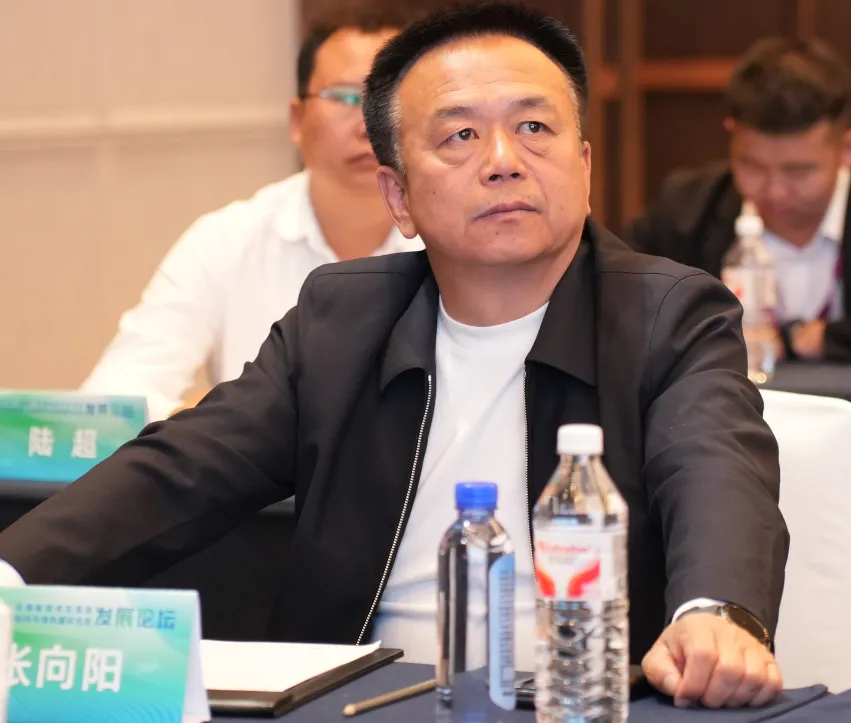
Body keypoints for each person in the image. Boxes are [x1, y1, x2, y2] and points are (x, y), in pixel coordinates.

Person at [0, 3, 786, 710]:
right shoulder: (342, 320)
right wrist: (10, 576)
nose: (503, 159)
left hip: (579, 700)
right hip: (352, 698)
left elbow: (715, 468)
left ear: (583, 167)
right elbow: (179, 472)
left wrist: (715, 613)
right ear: (398, 196)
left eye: (534, 127)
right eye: (460, 135)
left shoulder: (666, 313)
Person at [81, 11, 422, 421]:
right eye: (347, 98)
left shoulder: (453, 240)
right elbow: (110, 403)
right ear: (298, 120)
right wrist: (222, 423)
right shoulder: (227, 241)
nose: (368, 125)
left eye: (388, 100)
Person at [628, 37, 851, 363]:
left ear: (846, 149)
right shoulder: (685, 213)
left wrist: (829, 339)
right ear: (732, 133)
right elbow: (619, 305)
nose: (774, 191)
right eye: (753, 166)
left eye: (798, 171)